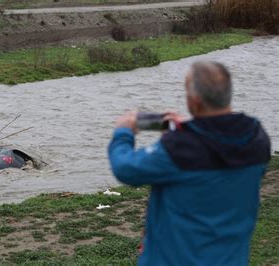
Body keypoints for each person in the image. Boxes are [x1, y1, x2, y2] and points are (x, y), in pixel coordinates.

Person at [108, 61, 271, 266]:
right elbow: (216, 151)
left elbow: (125, 168)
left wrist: (124, 131)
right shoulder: (256, 138)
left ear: (194, 101)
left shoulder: (179, 149)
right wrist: (195, 128)